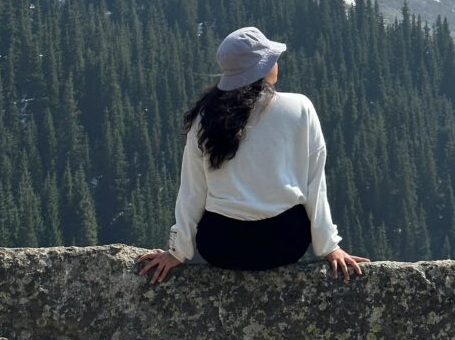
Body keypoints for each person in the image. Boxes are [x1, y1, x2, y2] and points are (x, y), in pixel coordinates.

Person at [137, 26, 369, 283]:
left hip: (221, 247)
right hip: (284, 244)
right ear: (263, 68)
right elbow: (314, 183)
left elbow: (193, 190)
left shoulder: (206, 118)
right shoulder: (300, 107)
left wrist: (176, 251)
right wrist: (329, 246)